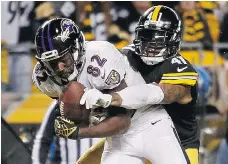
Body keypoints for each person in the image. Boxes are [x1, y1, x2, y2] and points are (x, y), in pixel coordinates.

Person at [32, 18, 189, 164]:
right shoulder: (43, 78)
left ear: (76, 49)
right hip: (118, 140)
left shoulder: (100, 56)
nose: (59, 68)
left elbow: (123, 121)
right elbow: (73, 107)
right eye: (52, 63)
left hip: (150, 123)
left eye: (63, 60)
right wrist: (72, 118)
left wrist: (79, 131)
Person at [79, 5, 199, 164]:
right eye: (147, 35)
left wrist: (113, 98)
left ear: (173, 39)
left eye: (159, 38)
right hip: (131, 132)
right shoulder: (127, 55)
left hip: (179, 139)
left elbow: (164, 93)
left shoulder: (178, 66)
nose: (151, 44)